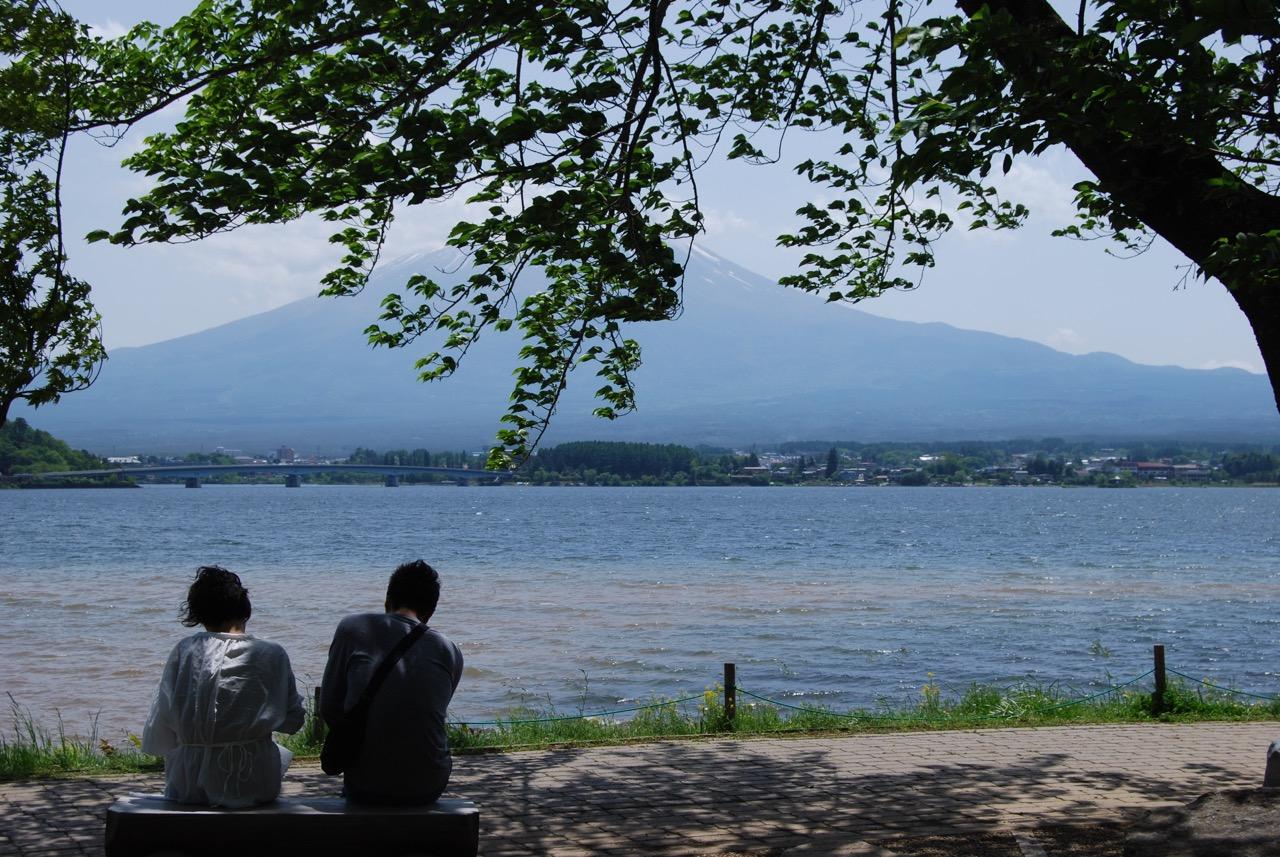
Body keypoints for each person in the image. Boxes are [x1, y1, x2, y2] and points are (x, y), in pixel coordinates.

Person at [142, 566, 305, 808]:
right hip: (252, 780)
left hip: (188, 782)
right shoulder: (271, 653)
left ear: (198, 614)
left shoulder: (185, 650)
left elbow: (162, 721)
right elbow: (293, 721)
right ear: (245, 609)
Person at [321, 559, 463, 804]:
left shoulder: (352, 627)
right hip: (429, 783)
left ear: (387, 599)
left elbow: (329, 708)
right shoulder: (449, 649)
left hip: (367, 784)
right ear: (431, 612)